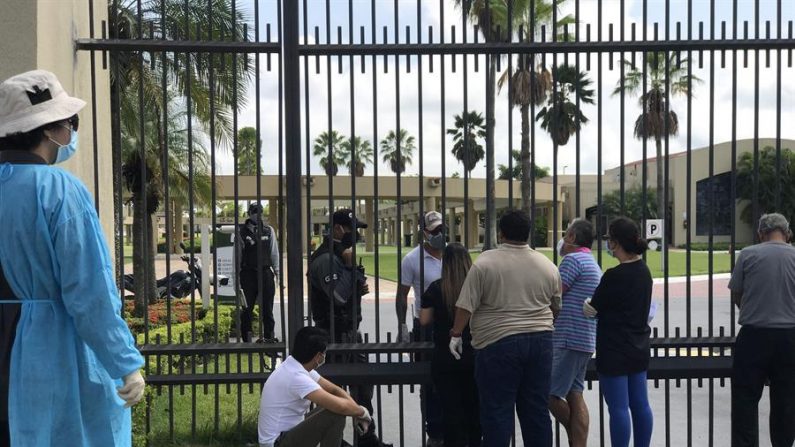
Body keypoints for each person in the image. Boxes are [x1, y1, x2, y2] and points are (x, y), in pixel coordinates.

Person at [0, 70, 145, 446]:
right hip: (43, 349)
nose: (70, 132)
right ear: (51, 130)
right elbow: (89, 291)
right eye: (70, 123)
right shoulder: (59, 190)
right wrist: (125, 363)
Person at [450, 209, 562, 446]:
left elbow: (466, 305)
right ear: (528, 234)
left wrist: (456, 333)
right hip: (540, 340)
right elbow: (555, 307)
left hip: (497, 342)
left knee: (497, 413)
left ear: (500, 233)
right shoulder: (547, 265)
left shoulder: (485, 263)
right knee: (537, 412)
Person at [307, 208, 392, 447]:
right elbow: (338, 297)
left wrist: (356, 284)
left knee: (363, 388)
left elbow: (348, 292)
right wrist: (348, 267)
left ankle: (367, 440)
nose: (355, 234)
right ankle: (333, 442)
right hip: (331, 336)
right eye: (351, 228)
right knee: (334, 395)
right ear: (337, 229)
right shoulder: (326, 258)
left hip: (350, 333)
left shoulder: (339, 254)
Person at [583, 217, 653, 447]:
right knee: (641, 405)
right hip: (638, 346)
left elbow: (593, 307)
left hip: (613, 348)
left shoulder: (614, 275)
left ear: (615, 243)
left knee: (619, 408)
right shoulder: (644, 272)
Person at [728, 213, 795, 447]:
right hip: (790, 337)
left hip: (754, 335)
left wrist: (750, 307)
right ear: (787, 233)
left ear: (760, 233)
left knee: (745, 402)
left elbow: (736, 292)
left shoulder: (748, 255)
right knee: (786, 404)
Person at [258, 326, 372, 447]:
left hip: (285, 436)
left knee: (334, 408)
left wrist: (356, 411)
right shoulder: (296, 377)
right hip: (277, 443)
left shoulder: (295, 365)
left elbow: (335, 390)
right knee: (335, 413)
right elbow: (341, 407)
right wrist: (362, 413)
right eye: (324, 353)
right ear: (318, 356)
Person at [420, 242, 481, 447]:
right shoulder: (477, 286)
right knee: (474, 407)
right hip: (474, 353)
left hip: (445, 355)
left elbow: (424, 320)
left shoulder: (437, 287)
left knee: (450, 410)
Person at [549, 219, 602, 447]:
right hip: (584, 338)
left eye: (566, 233)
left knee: (548, 393)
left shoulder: (572, 260)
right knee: (575, 393)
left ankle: (575, 438)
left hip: (568, 338)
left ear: (571, 237)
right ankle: (578, 442)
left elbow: (554, 295)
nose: (563, 238)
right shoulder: (591, 261)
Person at [396, 210, 444, 446]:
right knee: (428, 382)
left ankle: (454, 429)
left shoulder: (452, 255)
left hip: (452, 324)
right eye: (434, 230)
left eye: (441, 229)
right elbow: (402, 295)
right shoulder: (412, 259)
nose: (439, 234)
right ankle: (434, 432)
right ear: (424, 232)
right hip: (424, 325)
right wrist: (402, 324)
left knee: (453, 379)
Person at [239, 202, 280, 343]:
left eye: (260, 212)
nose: (258, 214)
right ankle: (247, 341)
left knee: (267, 309)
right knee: (246, 310)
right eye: (255, 212)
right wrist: (236, 277)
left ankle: (269, 338)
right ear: (249, 214)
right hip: (248, 274)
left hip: (265, 273)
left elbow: (274, 253)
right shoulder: (242, 232)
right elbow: (237, 256)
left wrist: (278, 273)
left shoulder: (269, 230)